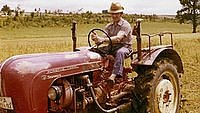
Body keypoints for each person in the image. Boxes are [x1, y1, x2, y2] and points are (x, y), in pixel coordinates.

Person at [91, 2, 133, 85]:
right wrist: (96, 39)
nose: (114, 16)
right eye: (112, 14)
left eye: (116, 14)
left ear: (121, 14)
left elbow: (118, 38)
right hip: (112, 47)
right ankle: (96, 73)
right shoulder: (109, 26)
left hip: (125, 47)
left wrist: (102, 39)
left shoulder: (125, 25)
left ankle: (114, 75)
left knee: (120, 52)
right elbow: (102, 39)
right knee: (93, 51)